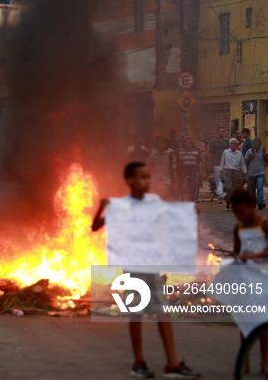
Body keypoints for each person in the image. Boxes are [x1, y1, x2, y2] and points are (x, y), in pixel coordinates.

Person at [91, 162, 200, 379]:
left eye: (149, 177)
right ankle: (138, 361)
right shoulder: (121, 206)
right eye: (142, 177)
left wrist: (188, 213)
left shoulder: (154, 202)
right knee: (137, 314)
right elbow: (95, 227)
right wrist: (101, 207)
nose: (147, 182)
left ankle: (172, 362)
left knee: (162, 312)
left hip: (152, 266)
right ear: (130, 180)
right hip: (132, 267)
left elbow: (169, 219)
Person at [230, 189, 268, 375]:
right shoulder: (238, 228)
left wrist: (257, 255)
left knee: (262, 324)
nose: (238, 216)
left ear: (252, 207)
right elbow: (236, 250)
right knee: (245, 323)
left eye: (241, 212)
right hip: (245, 280)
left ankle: (264, 362)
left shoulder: (263, 224)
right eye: (235, 213)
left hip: (263, 280)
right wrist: (237, 256)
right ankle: (245, 361)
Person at [220, 138, 248, 211]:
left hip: (236, 171)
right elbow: (222, 162)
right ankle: (228, 203)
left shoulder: (239, 153)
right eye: (232, 144)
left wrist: (246, 174)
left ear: (236, 145)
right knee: (229, 187)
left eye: (234, 144)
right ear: (229, 145)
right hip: (228, 171)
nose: (233, 145)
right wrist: (220, 173)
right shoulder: (225, 152)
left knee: (236, 189)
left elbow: (243, 164)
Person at [245, 138, 268, 210]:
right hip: (252, 173)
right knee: (252, 189)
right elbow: (245, 161)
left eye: (258, 142)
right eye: (255, 142)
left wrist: (266, 156)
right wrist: (250, 157)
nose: (256, 143)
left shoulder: (263, 151)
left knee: (259, 187)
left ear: (260, 143)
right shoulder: (250, 151)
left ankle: (260, 203)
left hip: (261, 173)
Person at [176, 137, 201, 202]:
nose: (188, 144)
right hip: (184, 171)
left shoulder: (196, 152)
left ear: (192, 143)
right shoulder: (181, 152)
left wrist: (200, 171)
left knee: (192, 186)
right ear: (184, 144)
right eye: (187, 143)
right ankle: (183, 200)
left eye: (190, 143)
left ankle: (191, 199)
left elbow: (199, 162)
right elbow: (180, 162)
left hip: (193, 171)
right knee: (184, 186)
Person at [209, 127, 229, 203]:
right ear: (217, 132)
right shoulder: (213, 142)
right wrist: (210, 163)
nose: (221, 133)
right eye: (220, 131)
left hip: (225, 163)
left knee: (225, 180)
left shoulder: (227, 142)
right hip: (216, 163)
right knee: (218, 180)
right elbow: (210, 153)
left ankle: (221, 193)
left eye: (223, 131)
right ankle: (220, 196)